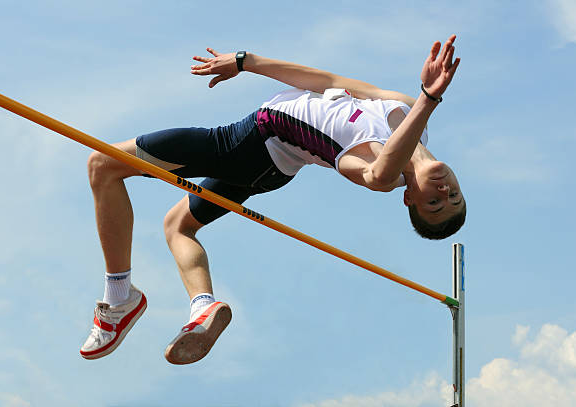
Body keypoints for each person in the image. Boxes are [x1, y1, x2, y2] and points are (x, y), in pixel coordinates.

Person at [79, 35, 465, 364]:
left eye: (435, 204)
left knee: (102, 164)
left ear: (410, 198)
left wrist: (429, 96)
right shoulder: (406, 110)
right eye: (454, 196)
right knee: (177, 226)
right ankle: (203, 307)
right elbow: (327, 81)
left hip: (246, 147)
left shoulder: (383, 171)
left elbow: (378, 172)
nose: (444, 193)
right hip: (264, 161)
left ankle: (118, 300)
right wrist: (248, 62)